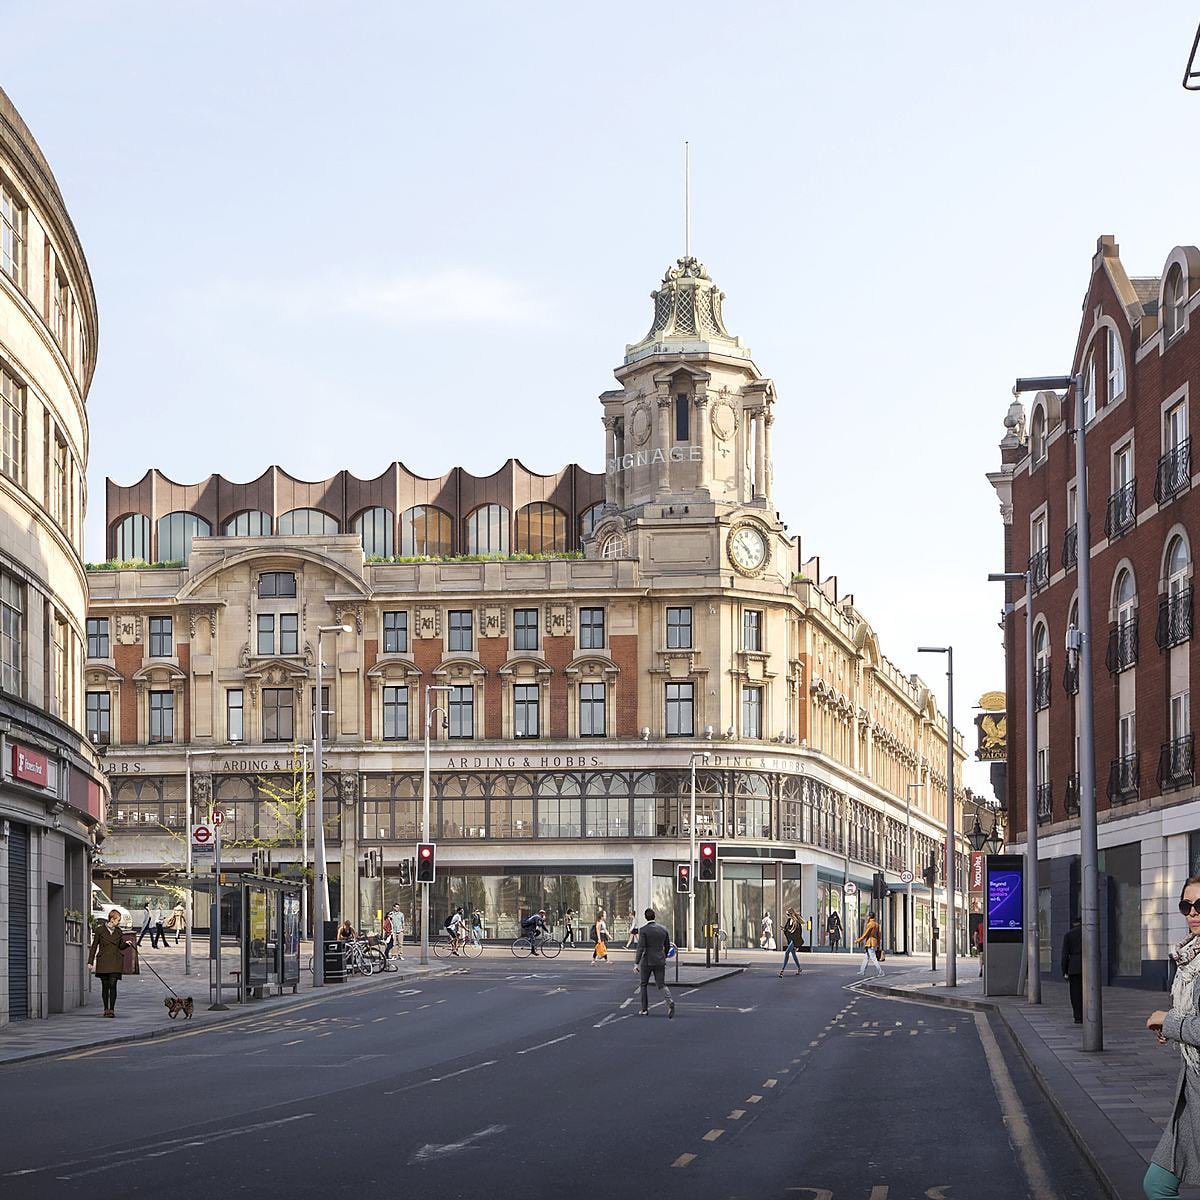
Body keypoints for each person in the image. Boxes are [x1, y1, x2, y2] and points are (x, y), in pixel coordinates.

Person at [1144, 875, 1200, 1199]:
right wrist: (1170, 1029)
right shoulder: (1188, 959)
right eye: (1186, 906)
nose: (1193, 912)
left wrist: (1170, 1021)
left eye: (1199, 905)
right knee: (1156, 1184)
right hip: (1191, 1090)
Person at [633, 907, 675, 1018]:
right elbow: (667, 945)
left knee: (643, 984)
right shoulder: (663, 929)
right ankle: (669, 1001)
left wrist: (636, 963)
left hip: (647, 961)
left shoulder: (644, 930)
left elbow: (641, 947)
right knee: (661, 984)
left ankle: (644, 1009)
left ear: (645, 917)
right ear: (654, 916)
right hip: (660, 960)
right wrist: (664, 956)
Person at [89, 910, 125, 1017]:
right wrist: (90, 961)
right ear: (112, 919)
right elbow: (94, 946)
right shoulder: (100, 930)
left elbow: (120, 946)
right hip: (104, 961)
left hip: (115, 962)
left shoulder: (119, 932)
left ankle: (112, 1009)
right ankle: (106, 1009)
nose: (119, 922)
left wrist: (127, 944)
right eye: (118, 920)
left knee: (113, 985)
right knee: (105, 986)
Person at [1061, 916, 1082, 1021]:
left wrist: (1064, 971)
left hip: (1074, 967)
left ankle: (1078, 1016)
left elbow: (1065, 955)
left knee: (1075, 993)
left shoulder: (1069, 935)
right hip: (1089, 965)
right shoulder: (1090, 933)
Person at [855, 910, 884, 977]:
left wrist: (858, 940)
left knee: (873, 959)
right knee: (866, 957)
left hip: (870, 943)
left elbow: (865, 934)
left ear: (869, 917)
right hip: (874, 942)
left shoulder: (870, 924)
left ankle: (881, 972)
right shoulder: (876, 924)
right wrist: (878, 944)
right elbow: (879, 935)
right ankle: (862, 971)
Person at [779, 908, 803, 977]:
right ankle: (799, 968)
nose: (787, 915)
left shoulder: (796, 922)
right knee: (793, 954)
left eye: (788, 914)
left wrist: (797, 945)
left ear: (791, 914)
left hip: (794, 940)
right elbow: (787, 929)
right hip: (791, 940)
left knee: (787, 952)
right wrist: (784, 929)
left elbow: (799, 933)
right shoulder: (789, 920)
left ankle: (782, 970)